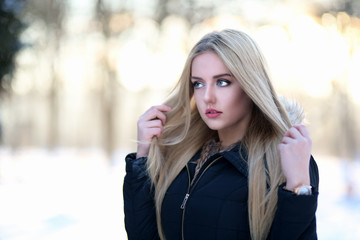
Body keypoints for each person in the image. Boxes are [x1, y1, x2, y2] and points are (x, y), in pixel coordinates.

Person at [123, 29, 319, 240]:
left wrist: (299, 189)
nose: (207, 97)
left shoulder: (284, 158)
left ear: (250, 84)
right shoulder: (182, 156)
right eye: (198, 84)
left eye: (222, 82)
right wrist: (143, 158)